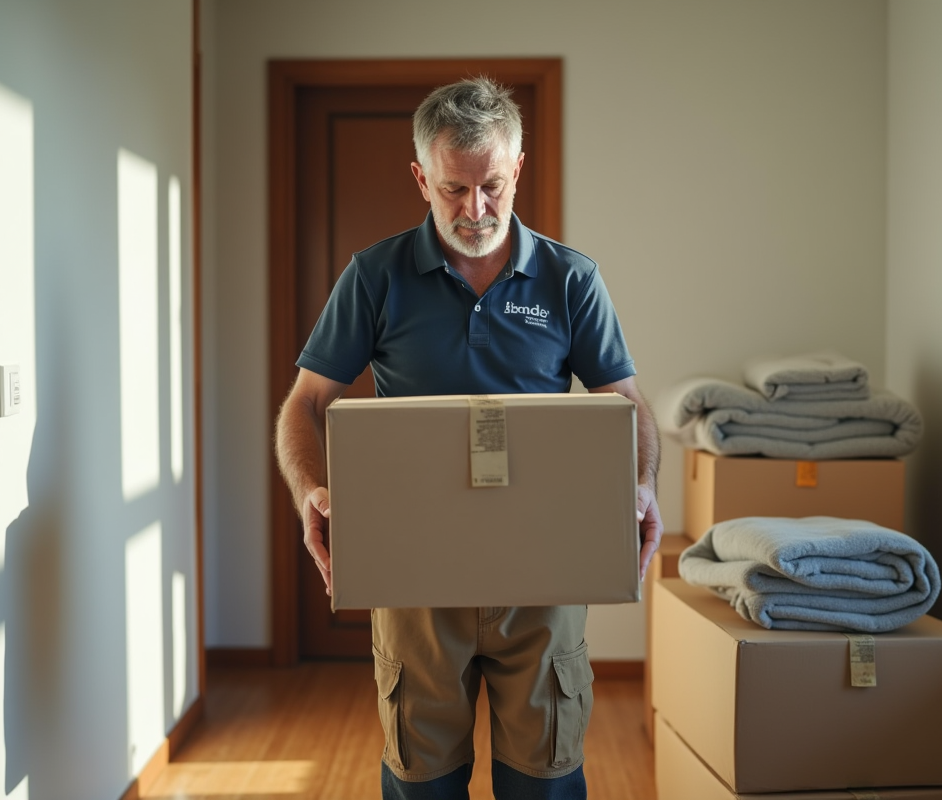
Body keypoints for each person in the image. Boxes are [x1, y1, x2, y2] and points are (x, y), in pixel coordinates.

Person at [275, 76, 663, 800]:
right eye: (454, 189)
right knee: (422, 785)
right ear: (421, 178)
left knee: (544, 785)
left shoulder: (570, 279)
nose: (475, 209)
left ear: (518, 170)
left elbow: (628, 404)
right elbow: (305, 404)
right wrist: (311, 494)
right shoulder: (376, 276)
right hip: (415, 579)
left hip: (544, 577)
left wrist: (639, 484)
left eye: (492, 186)